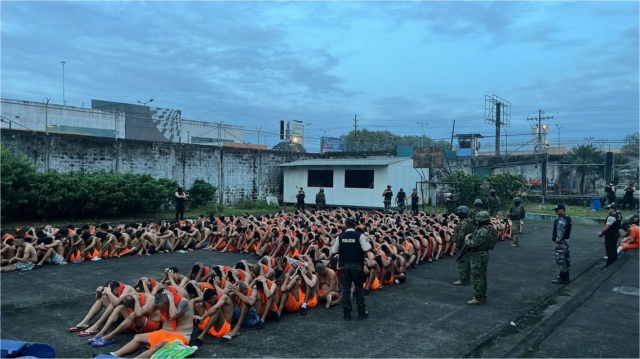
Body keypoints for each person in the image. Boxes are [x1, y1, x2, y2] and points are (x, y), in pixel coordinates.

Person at [110, 289, 195, 358]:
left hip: (180, 336)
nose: (162, 310)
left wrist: (171, 300)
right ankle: (114, 354)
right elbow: (139, 313)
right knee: (137, 337)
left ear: (168, 302)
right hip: (164, 332)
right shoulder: (161, 302)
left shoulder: (183, 302)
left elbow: (173, 315)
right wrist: (136, 299)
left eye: (163, 308)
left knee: (158, 346)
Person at [330, 218, 372, 320]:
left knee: (346, 290)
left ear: (345, 225)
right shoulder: (360, 236)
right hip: (357, 266)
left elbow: (333, 251)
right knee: (359, 289)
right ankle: (361, 313)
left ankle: (347, 314)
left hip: (345, 266)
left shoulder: (340, 237)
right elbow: (367, 248)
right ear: (355, 225)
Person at [464, 211, 496, 305]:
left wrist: (467, 239)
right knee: (482, 276)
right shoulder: (487, 228)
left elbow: (473, 244)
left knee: (477, 276)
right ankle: (481, 295)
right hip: (483, 254)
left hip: (478, 255)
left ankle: (478, 297)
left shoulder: (482, 231)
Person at [453, 206, 475, 286]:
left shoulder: (463, 223)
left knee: (462, 261)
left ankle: (463, 279)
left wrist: (457, 245)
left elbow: (460, 236)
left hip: (463, 245)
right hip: (468, 243)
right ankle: (467, 278)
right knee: (468, 262)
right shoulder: (470, 221)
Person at [551, 204, 572, 284]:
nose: (556, 211)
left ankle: (562, 277)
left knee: (560, 259)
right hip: (566, 241)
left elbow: (560, 232)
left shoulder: (562, 219)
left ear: (562, 210)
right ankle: (566, 277)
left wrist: (557, 242)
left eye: (558, 210)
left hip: (562, 242)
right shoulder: (567, 217)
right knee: (566, 259)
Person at [599, 203, 622, 269]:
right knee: (613, 248)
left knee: (610, 250)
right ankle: (614, 261)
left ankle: (609, 265)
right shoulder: (618, 214)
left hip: (610, 235)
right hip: (615, 233)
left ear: (613, 209)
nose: (608, 210)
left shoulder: (611, 217)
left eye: (609, 209)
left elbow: (607, 227)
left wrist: (601, 233)